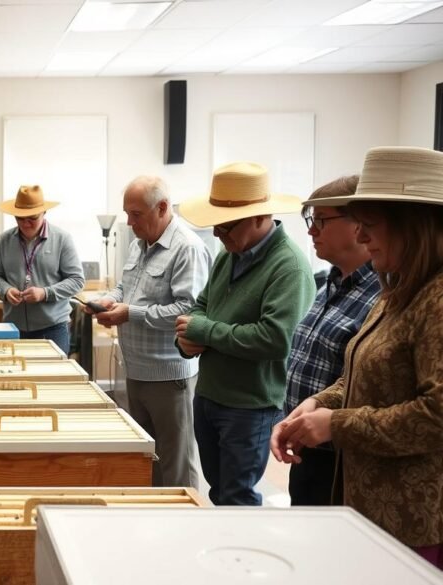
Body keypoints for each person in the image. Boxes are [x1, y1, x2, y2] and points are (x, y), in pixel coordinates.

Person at [272, 146, 443, 568]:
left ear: (413, 225)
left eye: (370, 225)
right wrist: (319, 402)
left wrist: (336, 424)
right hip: (368, 506)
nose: (362, 237)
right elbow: (360, 372)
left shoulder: (437, 299)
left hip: (411, 520)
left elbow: (436, 416)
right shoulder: (397, 290)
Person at [175, 162, 315, 506]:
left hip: (250, 405)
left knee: (237, 497)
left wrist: (204, 330)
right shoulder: (229, 255)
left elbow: (275, 338)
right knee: (219, 490)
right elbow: (202, 305)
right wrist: (188, 338)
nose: (218, 235)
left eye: (225, 226)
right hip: (210, 394)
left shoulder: (289, 267)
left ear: (259, 217)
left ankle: (240, 545)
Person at [88, 176, 211, 489]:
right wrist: (109, 300)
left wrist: (130, 313)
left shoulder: (187, 248)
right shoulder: (138, 244)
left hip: (168, 376)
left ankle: (184, 518)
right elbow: (124, 287)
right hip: (137, 370)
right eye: (127, 214)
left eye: (136, 214)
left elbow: (188, 311)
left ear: (162, 208)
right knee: (148, 458)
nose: (130, 223)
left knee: (176, 464)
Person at [282, 176, 380, 506]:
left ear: (359, 225)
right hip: (309, 449)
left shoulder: (383, 295)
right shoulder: (330, 282)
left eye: (321, 220)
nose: (312, 231)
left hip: (342, 459)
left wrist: (331, 421)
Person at [0, 185, 83, 353]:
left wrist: (45, 293)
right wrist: (6, 290)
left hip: (53, 328)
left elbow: (77, 280)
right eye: (20, 218)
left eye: (32, 218)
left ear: (44, 213)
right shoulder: (4, 240)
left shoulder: (62, 239)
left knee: (52, 371)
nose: (25, 223)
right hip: (13, 328)